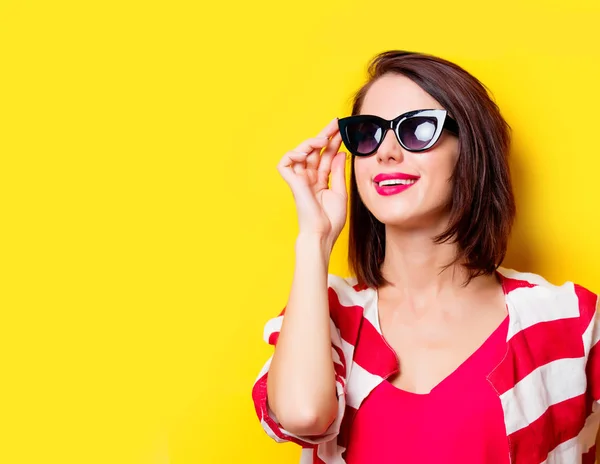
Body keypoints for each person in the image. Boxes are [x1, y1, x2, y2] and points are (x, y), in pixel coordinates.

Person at [251, 50, 600, 464]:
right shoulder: (325, 312)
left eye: (418, 130)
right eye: (368, 133)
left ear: (470, 149)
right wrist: (314, 239)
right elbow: (303, 416)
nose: (386, 152)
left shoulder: (566, 320)